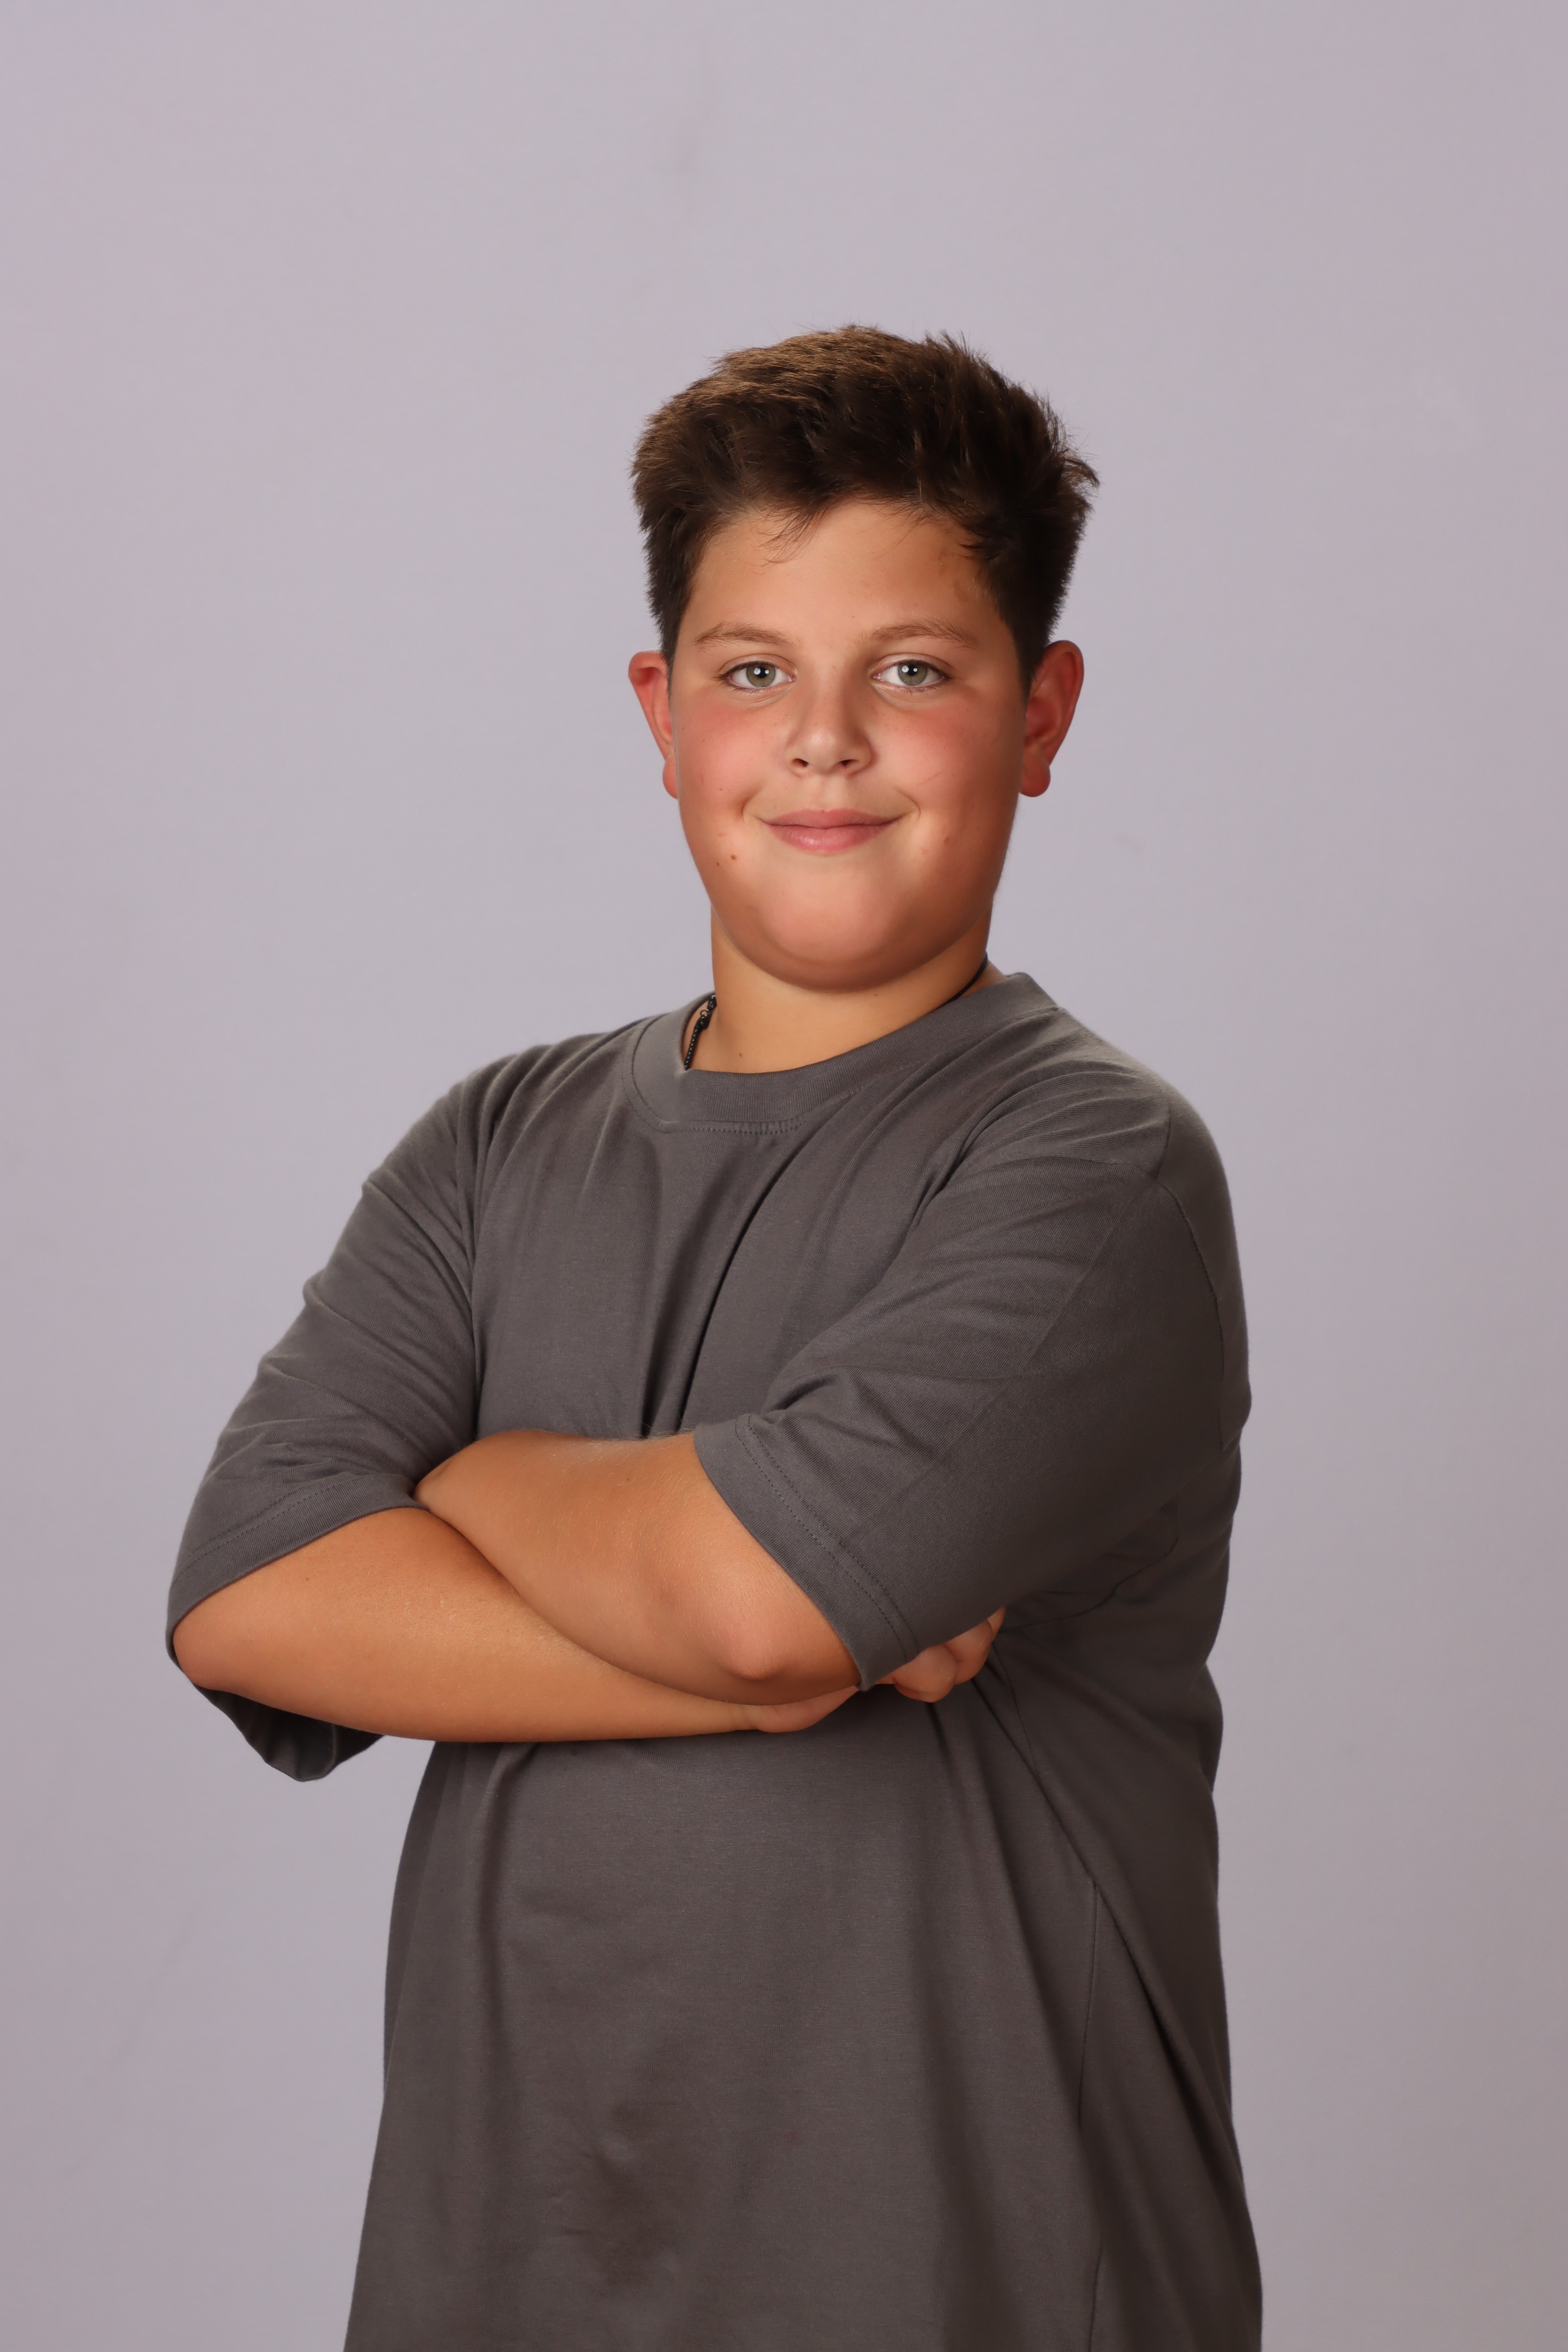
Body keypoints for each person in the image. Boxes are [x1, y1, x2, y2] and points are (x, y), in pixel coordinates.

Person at [169, 325, 1262, 2351]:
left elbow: (763, 1604)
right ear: (662, 716)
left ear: (1039, 714)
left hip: (965, 2284)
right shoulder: (497, 1145)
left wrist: (479, 1479)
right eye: (753, 672)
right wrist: (764, 1651)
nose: (822, 742)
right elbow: (250, 1597)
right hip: (510, 2278)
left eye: (912, 672)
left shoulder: (1095, 1170)